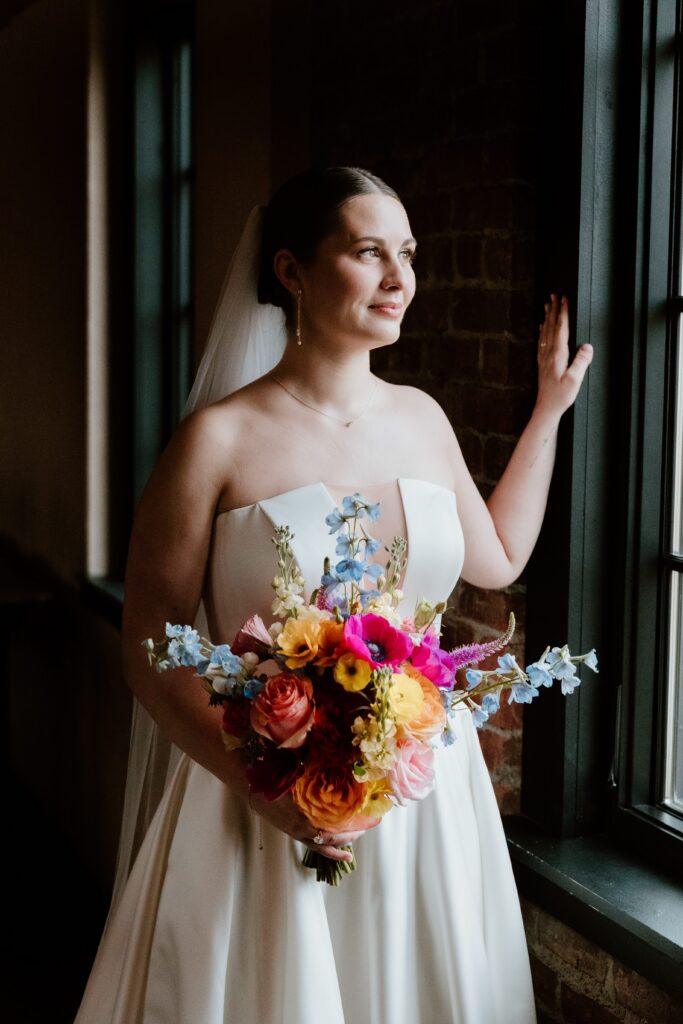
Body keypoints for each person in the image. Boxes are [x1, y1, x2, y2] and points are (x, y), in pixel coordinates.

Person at [75, 167, 593, 1024]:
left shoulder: (421, 418)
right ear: (291, 272)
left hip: (426, 802)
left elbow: (496, 558)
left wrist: (548, 413)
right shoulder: (217, 439)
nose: (400, 279)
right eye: (368, 253)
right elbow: (148, 638)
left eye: (408, 256)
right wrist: (260, 787)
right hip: (260, 794)